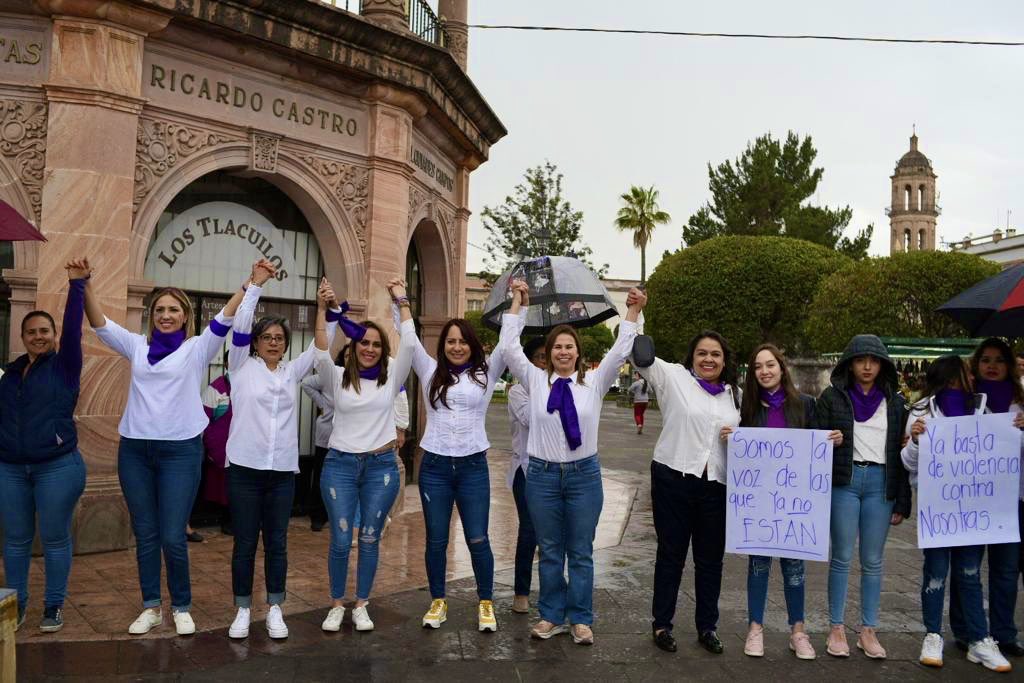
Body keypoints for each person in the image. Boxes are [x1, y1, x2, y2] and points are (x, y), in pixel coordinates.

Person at [83, 262, 251, 636]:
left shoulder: (196, 349)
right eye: (159, 310)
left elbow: (225, 316)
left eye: (173, 309)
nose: (165, 315)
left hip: (180, 451)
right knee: (145, 533)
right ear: (151, 316)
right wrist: (84, 286)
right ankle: (151, 607)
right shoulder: (136, 346)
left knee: (172, 534)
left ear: (185, 316)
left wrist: (250, 283)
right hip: (136, 452)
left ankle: (181, 605)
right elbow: (100, 324)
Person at [498, 279, 645, 646]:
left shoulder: (594, 382)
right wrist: (518, 302)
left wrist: (633, 311)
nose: (564, 352)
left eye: (570, 347)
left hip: (583, 477)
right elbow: (508, 347)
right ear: (548, 353)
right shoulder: (534, 380)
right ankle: (551, 615)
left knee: (580, 551)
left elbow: (620, 349)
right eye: (557, 347)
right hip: (543, 477)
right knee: (548, 550)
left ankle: (580, 617)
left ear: (578, 353)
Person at [224, 266, 341, 640]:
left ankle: (275, 607)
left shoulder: (292, 372)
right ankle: (242, 608)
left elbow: (322, 345)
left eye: (279, 338)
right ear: (255, 342)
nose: (273, 342)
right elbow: (240, 324)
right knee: (244, 543)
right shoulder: (240, 366)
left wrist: (327, 307)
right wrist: (256, 285)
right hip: (244, 470)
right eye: (266, 337)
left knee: (277, 542)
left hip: (281, 474)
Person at [726, 344, 842, 660]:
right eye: (758, 367)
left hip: (795, 505)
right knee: (758, 566)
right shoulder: (747, 410)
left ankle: (798, 631)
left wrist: (833, 440)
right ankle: (755, 629)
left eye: (770, 365)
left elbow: (817, 451)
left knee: (795, 568)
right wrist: (731, 439)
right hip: (761, 504)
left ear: (781, 368)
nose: (765, 371)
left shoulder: (805, 405)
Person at [314, 278, 415, 633]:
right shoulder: (337, 376)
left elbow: (412, 343)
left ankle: (361, 604)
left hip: (380, 467)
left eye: (376, 344)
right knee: (341, 539)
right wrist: (323, 310)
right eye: (364, 343)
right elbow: (320, 350)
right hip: (340, 466)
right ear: (354, 345)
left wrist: (401, 301)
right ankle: (337, 603)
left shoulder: (391, 379)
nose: (369, 349)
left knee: (370, 537)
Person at [631, 329, 740, 655]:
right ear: (692, 357)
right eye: (703, 353)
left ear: (724, 360)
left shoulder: (733, 395)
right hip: (673, 478)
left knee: (711, 560)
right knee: (671, 555)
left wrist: (737, 437)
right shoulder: (673, 377)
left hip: (716, 484)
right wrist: (636, 313)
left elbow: (750, 440)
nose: (709, 359)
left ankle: (707, 626)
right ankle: (662, 624)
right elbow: (639, 354)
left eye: (716, 354)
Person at [411, 302, 518, 634]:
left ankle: (485, 602)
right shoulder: (430, 371)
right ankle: (438, 600)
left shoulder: (485, 374)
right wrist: (400, 301)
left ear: (472, 345)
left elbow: (507, 341)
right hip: (435, 468)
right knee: (436, 540)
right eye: (450, 341)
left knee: (478, 538)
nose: (456, 347)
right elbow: (408, 336)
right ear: (442, 346)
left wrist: (517, 304)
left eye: (462, 341)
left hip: (473, 467)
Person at [902, 355, 1013, 672]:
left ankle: (979, 640)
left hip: (973, 509)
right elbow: (908, 463)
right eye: (965, 372)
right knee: (936, 571)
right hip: (938, 509)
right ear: (953, 376)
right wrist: (916, 441)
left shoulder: (983, 408)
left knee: (969, 573)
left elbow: (1001, 449)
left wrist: (1015, 429)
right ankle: (933, 634)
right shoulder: (922, 411)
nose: (972, 376)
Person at [0, 259, 89, 633]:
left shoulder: (65, 365)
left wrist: (77, 285)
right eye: (31, 331)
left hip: (57, 467)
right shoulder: (8, 374)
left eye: (44, 331)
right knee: (15, 542)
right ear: (22, 336)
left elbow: (72, 328)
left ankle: (53, 606)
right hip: (10, 469)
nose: (38, 336)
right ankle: (15, 607)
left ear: (53, 336)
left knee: (54, 539)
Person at [815, 335, 911, 659]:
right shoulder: (832, 397)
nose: (867, 366)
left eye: (874, 360)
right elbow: (813, 441)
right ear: (849, 364)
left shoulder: (896, 402)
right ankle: (837, 627)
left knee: (873, 560)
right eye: (860, 360)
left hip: (881, 483)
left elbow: (901, 453)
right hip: (846, 480)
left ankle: (868, 630)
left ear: (883, 364)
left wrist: (902, 500)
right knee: (841, 555)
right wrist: (830, 440)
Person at [960, 338, 1024, 657]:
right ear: (976, 364)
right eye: (985, 359)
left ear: (1009, 365)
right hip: (972, 498)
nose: (992, 365)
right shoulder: (965, 399)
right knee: (968, 566)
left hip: (1011, 500)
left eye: (999, 359)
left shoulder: (1021, 401)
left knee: (1006, 569)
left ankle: (1003, 632)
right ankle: (966, 630)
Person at [301, 346, 409, 534]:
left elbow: (400, 394)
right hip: (335, 442)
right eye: (348, 355)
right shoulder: (335, 375)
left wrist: (401, 427)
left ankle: (366, 523)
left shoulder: (384, 376)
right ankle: (331, 519)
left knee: (367, 490)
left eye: (375, 345)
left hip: (372, 446)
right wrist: (325, 405)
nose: (360, 354)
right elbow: (309, 379)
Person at [507, 336, 546, 614]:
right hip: (527, 470)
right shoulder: (518, 391)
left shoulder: (565, 386)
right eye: (541, 356)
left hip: (556, 470)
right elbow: (531, 421)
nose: (545, 361)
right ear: (529, 362)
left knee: (553, 535)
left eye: (548, 356)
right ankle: (521, 591)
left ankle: (552, 592)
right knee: (530, 530)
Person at [201, 350, 233, 535]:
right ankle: (227, 522)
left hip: (246, 448)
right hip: (222, 448)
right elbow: (204, 420)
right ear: (227, 364)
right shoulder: (217, 388)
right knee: (224, 489)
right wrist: (213, 449)